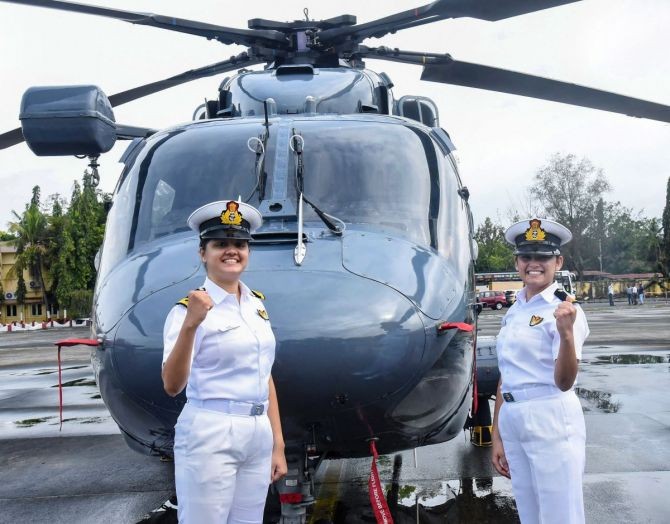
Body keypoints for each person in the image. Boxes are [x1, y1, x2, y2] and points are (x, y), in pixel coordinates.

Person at [162, 199, 287, 523]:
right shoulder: (185, 311)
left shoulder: (255, 305)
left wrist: (278, 444)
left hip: (257, 432)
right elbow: (172, 385)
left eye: (240, 244)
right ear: (203, 253)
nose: (232, 251)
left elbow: (265, 375)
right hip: (212, 430)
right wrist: (191, 324)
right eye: (220, 244)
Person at [491, 218, 590, 524]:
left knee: (560, 514)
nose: (533, 264)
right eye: (526, 257)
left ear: (557, 262)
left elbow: (564, 382)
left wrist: (566, 334)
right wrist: (497, 435)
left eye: (543, 257)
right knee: (529, 512)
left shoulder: (565, 311)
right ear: (517, 262)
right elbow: (506, 375)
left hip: (549, 415)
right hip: (513, 417)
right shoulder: (516, 308)